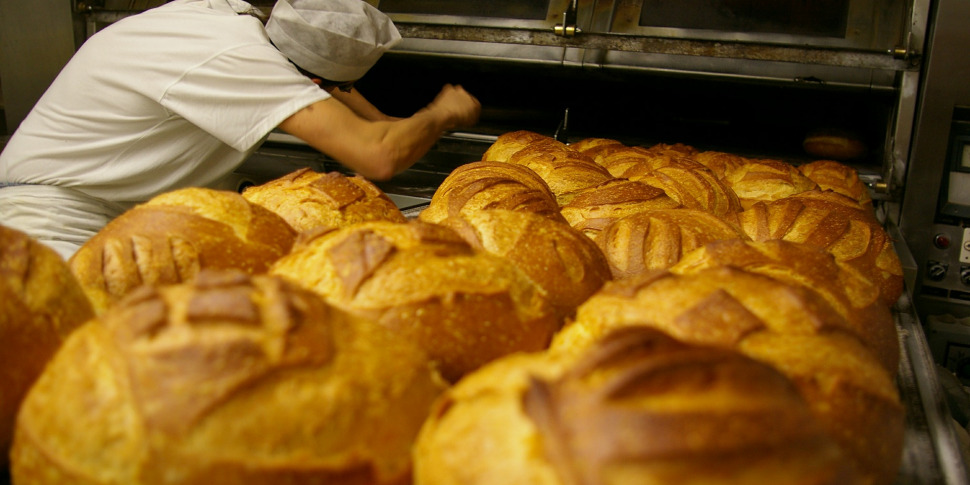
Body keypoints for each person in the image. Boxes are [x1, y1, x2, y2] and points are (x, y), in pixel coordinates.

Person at [0, 0, 481, 260]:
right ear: (309, 76)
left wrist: (396, 124)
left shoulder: (232, 21)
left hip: (110, 216)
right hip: (46, 223)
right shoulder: (232, 54)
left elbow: (347, 103)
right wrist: (443, 112)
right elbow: (377, 156)